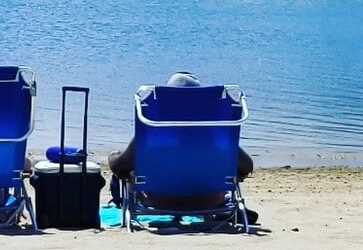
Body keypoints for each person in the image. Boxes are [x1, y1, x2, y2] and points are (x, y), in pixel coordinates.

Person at [105, 73, 256, 223]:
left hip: (159, 201)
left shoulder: (151, 134)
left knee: (130, 170)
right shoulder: (217, 141)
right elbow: (247, 166)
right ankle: (228, 207)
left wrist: (113, 156)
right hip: (210, 202)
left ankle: (125, 205)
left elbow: (120, 167)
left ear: (165, 104)